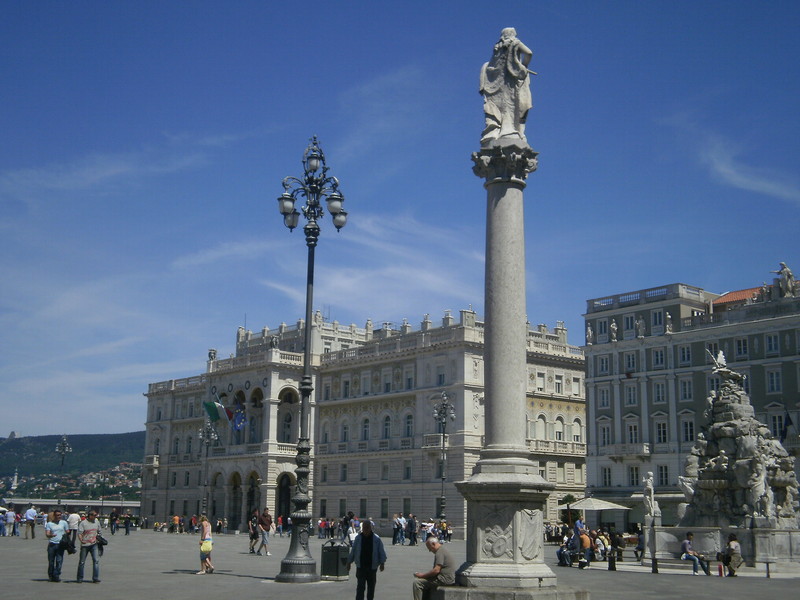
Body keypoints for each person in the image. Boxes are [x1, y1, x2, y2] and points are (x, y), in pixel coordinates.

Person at [479, 27, 534, 146]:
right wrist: (524, 66)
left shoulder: (497, 48)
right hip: (510, 82)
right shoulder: (515, 43)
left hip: (495, 82)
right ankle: (509, 129)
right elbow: (529, 53)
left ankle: (496, 130)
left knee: (499, 106)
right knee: (511, 105)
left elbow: (490, 66)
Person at [347, 520, 387, 600]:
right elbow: (353, 551)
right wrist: (349, 562)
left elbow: (381, 551)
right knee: (360, 587)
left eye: (367, 527)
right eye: (364, 528)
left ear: (370, 528)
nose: (366, 529)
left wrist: (382, 563)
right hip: (361, 566)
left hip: (372, 567)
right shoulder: (358, 538)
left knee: (371, 587)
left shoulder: (376, 538)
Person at [76, 510, 101, 583]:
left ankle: (95, 578)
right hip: (85, 544)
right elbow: (80, 533)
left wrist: (99, 538)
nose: (95, 516)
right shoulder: (83, 523)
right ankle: (80, 578)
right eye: (94, 515)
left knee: (96, 561)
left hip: (94, 544)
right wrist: (81, 540)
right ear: (90, 515)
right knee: (82, 562)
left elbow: (99, 531)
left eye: (96, 515)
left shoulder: (97, 522)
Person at [45, 509, 69, 582]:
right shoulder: (49, 524)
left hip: (60, 545)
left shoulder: (64, 523)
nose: (59, 516)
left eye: (60, 515)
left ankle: (56, 575)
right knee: (51, 562)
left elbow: (67, 531)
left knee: (59, 561)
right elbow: (47, 534)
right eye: (57, 515)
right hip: (52, 544)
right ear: (54, 516)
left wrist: (67, 538)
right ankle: (51, 575)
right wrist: (50, 535)